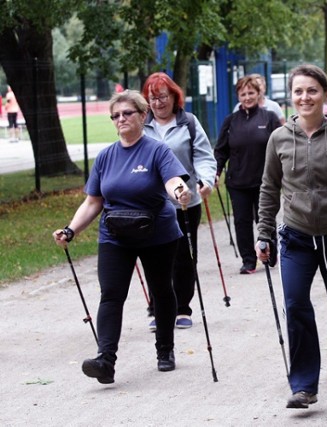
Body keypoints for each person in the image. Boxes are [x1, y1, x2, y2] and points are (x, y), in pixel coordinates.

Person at [255, 64, 327, 409]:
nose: (304, 97)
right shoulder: (279, 138)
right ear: (290, 97)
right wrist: (264, 233)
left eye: (312, 91)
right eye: (298, 91)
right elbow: (269, 189)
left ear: (325, 94)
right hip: (296, 235)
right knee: (295, 304)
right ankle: (304, 385)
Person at [52, 90, 192, 383]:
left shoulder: (157, 150)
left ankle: (165, 349)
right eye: (116, 115)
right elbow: (93, 201)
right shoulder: (106, 157)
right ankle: (106, 360)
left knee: (161, 291)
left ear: (143, 116)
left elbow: (172, 180)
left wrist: (180, 191)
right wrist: (70, 230)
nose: (121, 119)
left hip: (157, 233)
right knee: (111, 294)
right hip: (115, 235)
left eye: (127, 113)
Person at [142, 72, 217, 330]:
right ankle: (157, 308)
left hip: (186, 203)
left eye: (163, 96)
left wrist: (206, 181)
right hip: (151, 205)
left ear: (174, 97)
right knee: (153, 257)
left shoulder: (189, 123)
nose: (158, 103)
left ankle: (182, 308)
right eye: (153, 98)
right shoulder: (142, 125)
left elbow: (204, 157)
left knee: (183, 257)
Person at [215, 75, 281, 274]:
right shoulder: (230, 121)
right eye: (243, 94)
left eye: (251, 93)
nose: (247, 97)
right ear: (238, 96)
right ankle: (248, 260)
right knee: (241, 222)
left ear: (259, 93)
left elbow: (281, 146)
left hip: (264, 181)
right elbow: (221, 150)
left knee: (264, 219)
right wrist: (216, 172)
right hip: (238, 182)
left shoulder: (269, 118)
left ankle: (269, 253)